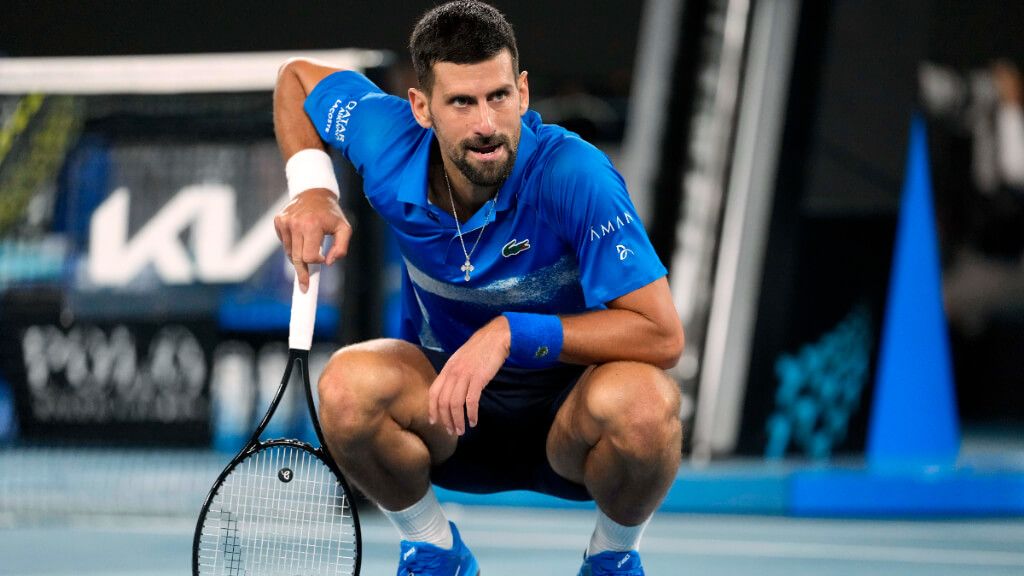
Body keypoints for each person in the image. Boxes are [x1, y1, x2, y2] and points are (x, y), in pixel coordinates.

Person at [272, 2, 684, 575]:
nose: (486, 124)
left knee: (648, 405)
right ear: (421, 108)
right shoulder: (389, 147)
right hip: (446, 415)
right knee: (345, 387)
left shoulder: (575, 176)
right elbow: (296, 79)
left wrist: (514, 333)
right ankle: (434, 549)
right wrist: (313, 188)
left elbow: (662, 335)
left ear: (523, 92)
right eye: (461, 102)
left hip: (570, 423)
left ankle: (613, 557)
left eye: (498, 97)